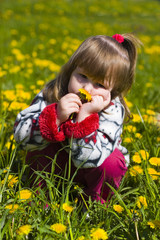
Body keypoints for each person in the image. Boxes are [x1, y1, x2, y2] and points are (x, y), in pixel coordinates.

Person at [14, 33, 141, 203]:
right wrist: (56, 117)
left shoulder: (112, 110)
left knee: (112, 163)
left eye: (100, 85)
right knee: (41, 145)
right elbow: (20, 138)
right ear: (72, 69)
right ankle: (39, 198)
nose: (87, 88)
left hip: (89, 172)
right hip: (53, 167)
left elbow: (88, 161)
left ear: (113, 90)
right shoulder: (54, 92)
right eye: (83, 76)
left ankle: (93, 206)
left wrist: (84, 119)